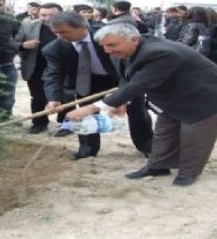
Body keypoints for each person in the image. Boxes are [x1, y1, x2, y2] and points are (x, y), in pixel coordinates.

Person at [67, 23, 217, 186]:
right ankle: (159, 166)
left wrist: (92, 108)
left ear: (133, 39)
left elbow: (140, 84)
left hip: (203, 98)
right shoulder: (131, 50)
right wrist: (121, 101)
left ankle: (188, 173)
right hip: (173, 97)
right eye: (104, 46)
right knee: (164, 132)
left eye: (112, 45)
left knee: (194, 137)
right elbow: (128, 80)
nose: (107, 50)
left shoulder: (160, 53)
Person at [43, 12, 153, 159]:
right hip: (86, 81)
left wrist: (124, 91)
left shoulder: (110, 37)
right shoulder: (53, 49)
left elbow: (129, 63)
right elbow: (53, 75)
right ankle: (88, 149)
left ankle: (147, 145)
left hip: (120, 78)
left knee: (136, 110)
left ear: (83, 27)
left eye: (63, 32)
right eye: (56, 33)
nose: (59, 36)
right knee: (85, 113)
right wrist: (53, 98)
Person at [15, 2, 72, 135]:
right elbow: (15, 42)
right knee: (37, 96)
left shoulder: (70, 27)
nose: (47, 18)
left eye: (52, 15)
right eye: (43, 15)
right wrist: (23, 45)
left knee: (65, 97)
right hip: (36, 68)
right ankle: (39, 123)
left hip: (63, 70)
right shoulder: (28, 25)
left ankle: (66, 124)